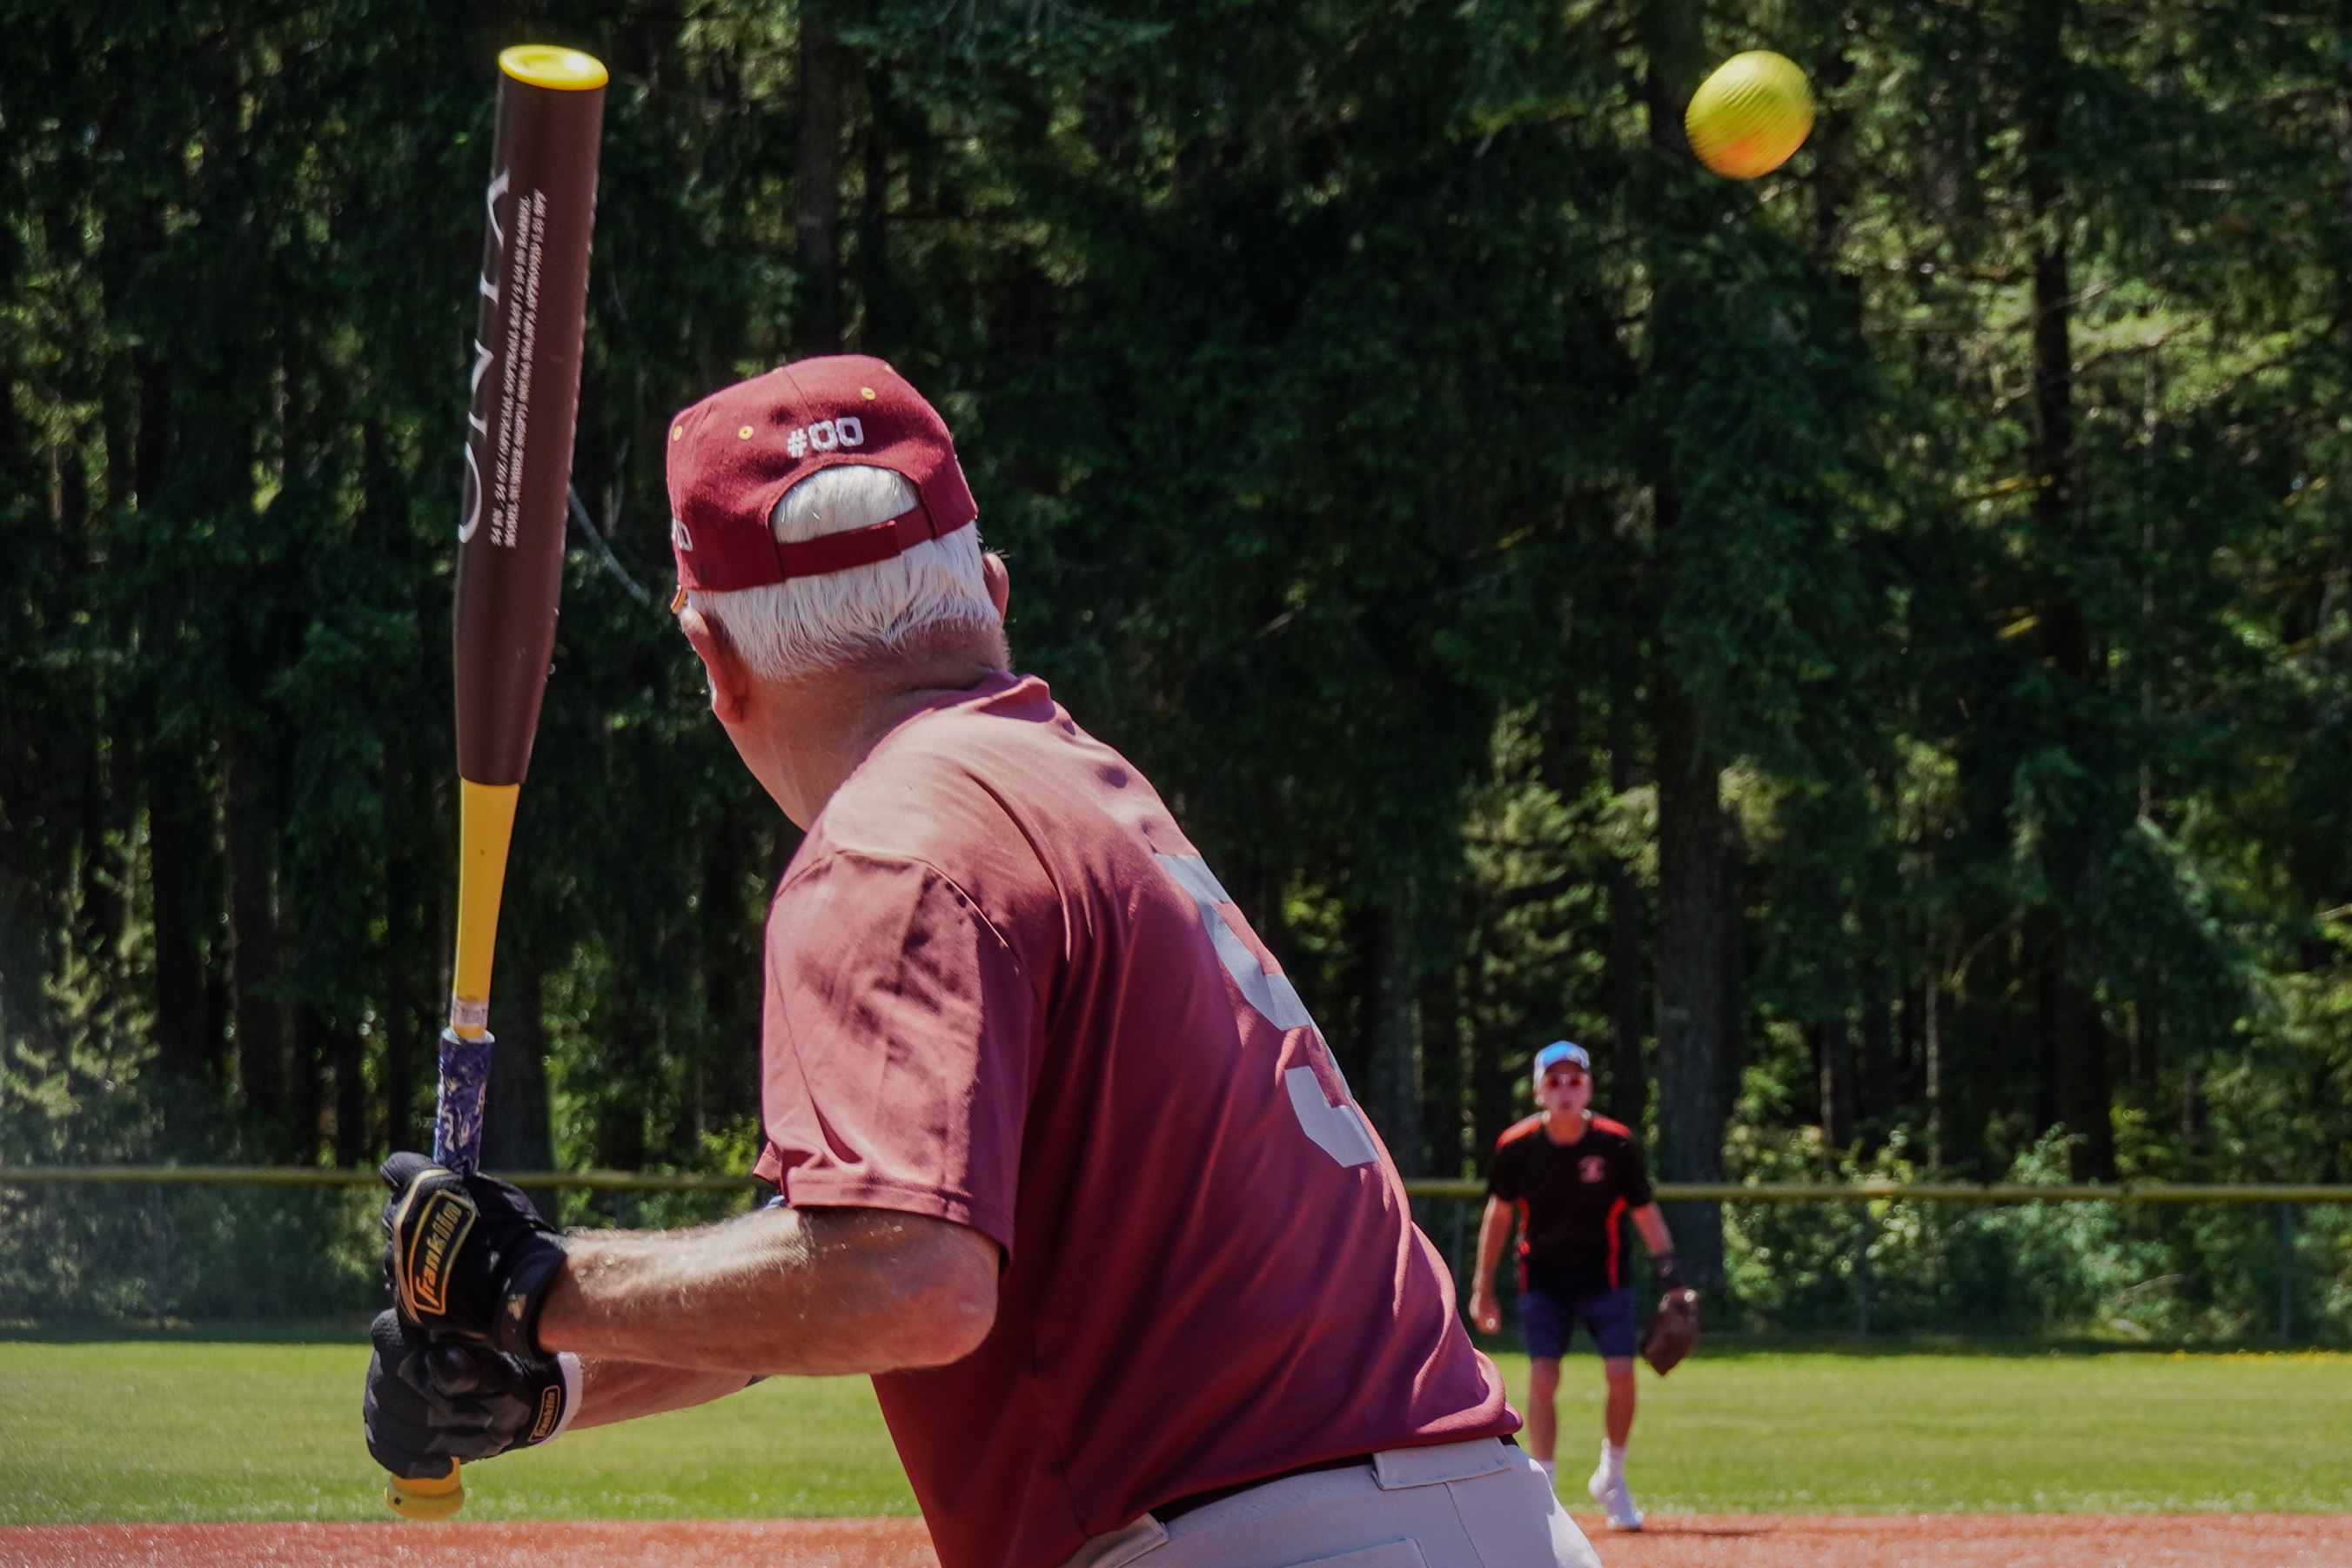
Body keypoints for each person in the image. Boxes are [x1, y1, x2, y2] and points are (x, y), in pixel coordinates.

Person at [364, 355, 1602, 1568]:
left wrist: (535, 1278)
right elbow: (840, 1254)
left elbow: (905, 1283)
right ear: (988, 592)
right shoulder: (1071, 785)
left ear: (715, 662)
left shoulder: (889, 844)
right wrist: (543, 1378)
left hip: (1259, 1533)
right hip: (1475, 1515)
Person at [1467, 1042, 1682, 1532]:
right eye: (1555, 1080)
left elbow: (1644, 1212)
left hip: (1604, 1277)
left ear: (1588, 1087)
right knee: (1543, 1380)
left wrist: (1673, 1276)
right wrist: (1483, 1287)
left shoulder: (1615, 1144)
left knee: (1622, 1375)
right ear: (1540, 1091)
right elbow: (1498, 1215)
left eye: (1575, 1079)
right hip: (1542, 1279)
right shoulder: (1516, 1147)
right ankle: (1544, 1488)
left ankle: (1613, 1476)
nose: (1566, 1089)